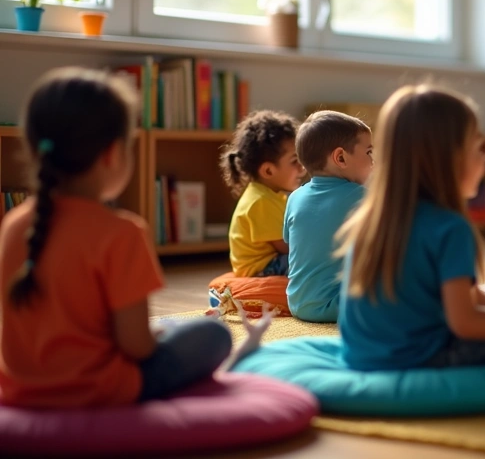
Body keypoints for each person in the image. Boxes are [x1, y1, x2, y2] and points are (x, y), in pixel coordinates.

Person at [0, 68, 231, 407]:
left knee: (170, 325)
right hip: (102, 388)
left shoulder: (14, 224)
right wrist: (154, 336)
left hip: (20, 388)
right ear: (112, 154)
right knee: (214, 334)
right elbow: (137, 347)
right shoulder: (123, 232)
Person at [337, 85, 485, 370]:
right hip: (416, 357)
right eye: (478, 149)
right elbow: (465, 322)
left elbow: (469, 295)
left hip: (361, 354)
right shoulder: (450, 228)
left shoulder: (372, 218)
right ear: (449, 159)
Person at [285, 110, 374, 322]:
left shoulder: (294, 198)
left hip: (297, 303)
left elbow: (290, 241)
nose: (373, 162)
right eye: (369, 152)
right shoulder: (363, 197)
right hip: (340, 304)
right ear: (340, 158)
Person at [220, 110, 305, 277]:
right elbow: (287, 247)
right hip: (261, 268)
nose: (302, 168)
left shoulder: (269, 195)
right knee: (316, 262)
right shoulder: (261, 201)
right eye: (294, 161)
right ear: (268, 170)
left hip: (271, 261)